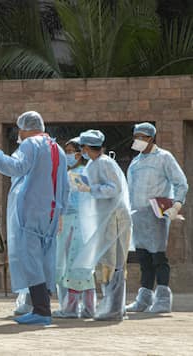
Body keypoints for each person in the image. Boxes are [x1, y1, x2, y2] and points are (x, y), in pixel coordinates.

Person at [0, 111, 70, 325]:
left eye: (20, 129)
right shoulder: (58, 149)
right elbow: (65, 187)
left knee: (31, 259)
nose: (18, 133)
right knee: (45, 260)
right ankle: (42, 306)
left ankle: (41, 311)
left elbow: (16, 167)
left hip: (31, 212)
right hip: (50, 214)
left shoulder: (31, 145)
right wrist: (61, 214)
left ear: (25, 128)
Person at [125, 122, 188, 313]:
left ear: (151, 138)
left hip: (156, 214)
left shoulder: (164, 158)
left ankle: (162, 299)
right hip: (138, 214)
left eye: (142, 136)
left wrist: (176, 205)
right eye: (136, 136)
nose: (138, 140)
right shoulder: (136, 161)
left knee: (158, 257)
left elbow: (180, 182)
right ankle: (144, 299)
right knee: (143, 257)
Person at [73, 129, 132, 321]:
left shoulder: (105, 163)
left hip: (114, 217)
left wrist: (91, 188)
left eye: (82, 147)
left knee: (113, 262)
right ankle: (112, 305)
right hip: (105, 216)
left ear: (87, 147)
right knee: (106, 261)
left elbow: (114, 188)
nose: (81, 151)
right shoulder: (93, 164)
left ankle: (114, 307)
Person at [53, 137, 96, 319]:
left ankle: (73, 307)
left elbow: (80, 201)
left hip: (75, 223)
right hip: (71, 222)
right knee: (74, 267)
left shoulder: (79, 174)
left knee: (73, 266)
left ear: (79, 154)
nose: (68, 155)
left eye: (71, 151)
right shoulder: (74, 172)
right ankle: (83, 307)